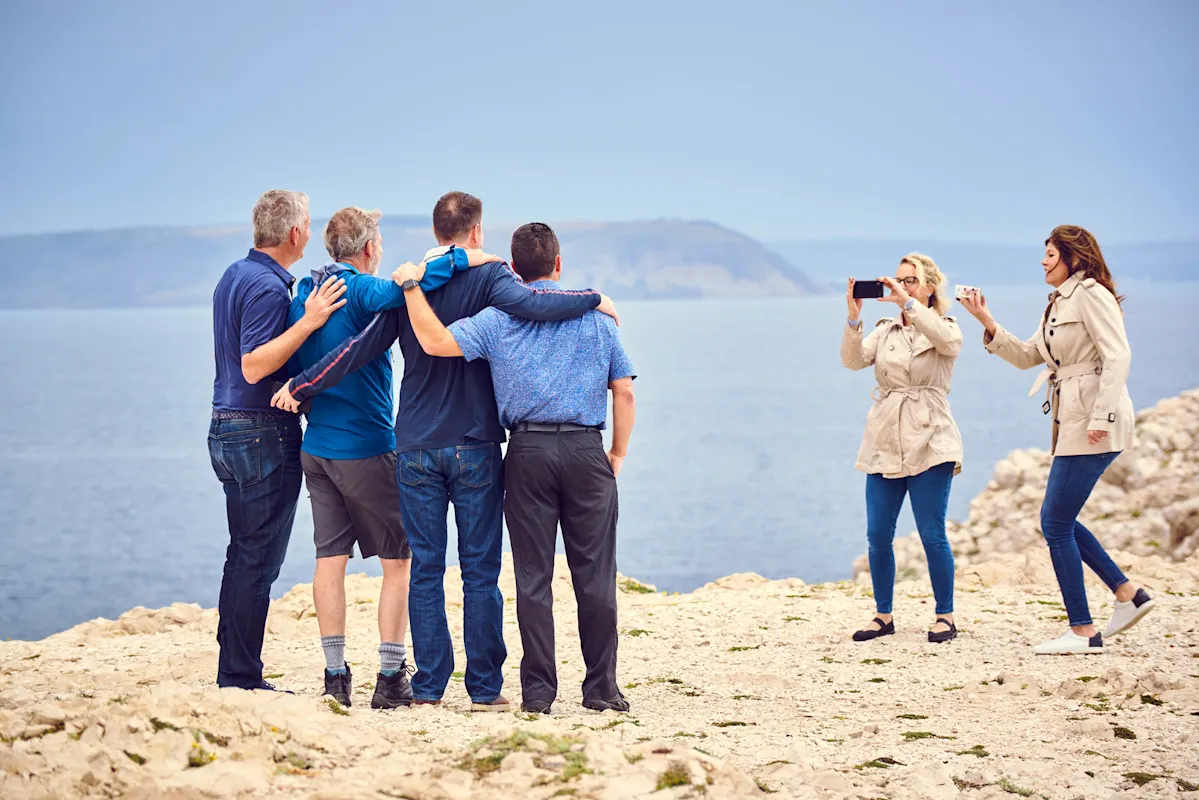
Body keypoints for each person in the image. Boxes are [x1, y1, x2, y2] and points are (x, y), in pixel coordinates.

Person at [271, 192, 618, 711]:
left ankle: (430, 686)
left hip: (413, 444)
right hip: (475, 444)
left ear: (438, 233)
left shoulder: (412, 286)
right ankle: (483, 689)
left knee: (427, 568)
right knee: (481, 571)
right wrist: (594, 299)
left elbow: (358, 350)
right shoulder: (495, 279)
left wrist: (302, 384)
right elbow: (535, 306)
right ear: (476, 233)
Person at [395, 222, 636, 715]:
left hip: (526, 454)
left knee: (532, 578)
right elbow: (624, 391)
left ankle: (539, 694)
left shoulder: (497, 319)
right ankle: (601, 690)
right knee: (595, 577)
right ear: (559, 263)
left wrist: (412, 288)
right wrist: (617, 454)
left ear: (515, 271)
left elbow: (437, 343)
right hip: (587, 450)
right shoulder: (597, 319)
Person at [284, 206, 500, 708]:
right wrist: (458, 260)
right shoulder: (360, 289)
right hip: (366, 447)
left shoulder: (303, 293)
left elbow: (325, 351)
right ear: (370, 249)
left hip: (315, 448)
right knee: (403, 562)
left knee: (328, 562)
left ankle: (336, 675)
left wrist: (298, 385)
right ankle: (389, 676)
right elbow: (413, 286)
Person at [961, 225, 1154, 655]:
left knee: (1054, 521)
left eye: (1051, 254)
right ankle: (1127, 593)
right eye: (1044, 254)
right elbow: (1030, 356)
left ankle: (1084, 631)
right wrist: (985, 320)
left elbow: (1118, 355)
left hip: (1093, 420)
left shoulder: (1091, 294)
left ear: (1074, 256)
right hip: (1073, 420)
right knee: (1060, 518)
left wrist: (1101, 416)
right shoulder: (1059, 301)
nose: (1044, 261)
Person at [208, 189, 347, 690]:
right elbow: (254, 363)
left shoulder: (234, 275)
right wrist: (311, 321)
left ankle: (233, 669)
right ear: (293, 233)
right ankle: (241, 676)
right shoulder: (268, 287)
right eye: (307, 226)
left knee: (241, 553)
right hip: (261, 432)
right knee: (257, 560)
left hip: (226, 426)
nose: (310, 233)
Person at [841, 254, 963, 644]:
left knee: (932, 533)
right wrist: (853, 318)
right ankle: (883, 615)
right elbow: (852, 361)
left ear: (929, 287)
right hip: (885, 435)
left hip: (931, 437)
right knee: (878, 532)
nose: (900, 286)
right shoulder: (886, 329)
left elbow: (948, 343)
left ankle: (945, 616)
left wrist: (909, 304)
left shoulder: (945, 325)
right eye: (897, 280)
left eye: (910, 281)